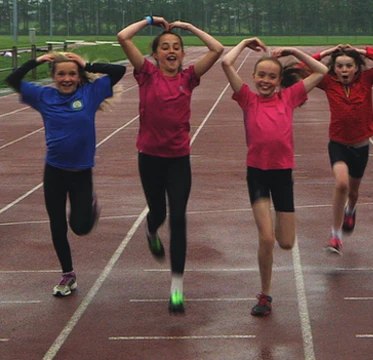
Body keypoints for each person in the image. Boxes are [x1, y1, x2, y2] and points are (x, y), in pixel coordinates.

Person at [117, 16, 224, 314]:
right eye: (165, 47)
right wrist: (150, 21)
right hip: (149, 159)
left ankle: (177, 286)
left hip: (179, 160)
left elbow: (217, 49)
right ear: (155, 55)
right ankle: (151, 233)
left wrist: (189, 28)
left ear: (182, 53)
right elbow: (123, 37)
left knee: (178, 218)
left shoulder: (188, 78)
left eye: (176, 46)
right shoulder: (147, 73)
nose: (171, 50)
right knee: (158, 214)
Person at [4, 52, 125, 297]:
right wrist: (36, 61)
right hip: (54, 172)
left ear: (79, 77)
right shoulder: (43, 95)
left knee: (80, 227)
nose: (67, 78)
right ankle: (68, 274)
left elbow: (118, 72)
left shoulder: (90, 94)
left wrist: (87, 64)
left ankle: (88, 205)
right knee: (57, 226)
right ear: (53, 76)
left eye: (72, 74)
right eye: (61, 74)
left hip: (81, 173)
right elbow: (13, 80)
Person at [221, 38, 327, 316]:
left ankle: (281, 222)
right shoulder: (247, 98)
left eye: (271, 76)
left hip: (282, 174)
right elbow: (225, 62)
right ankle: (265, 295)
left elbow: (321, 72)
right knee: (266, 238)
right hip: (256, 174)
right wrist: (244, 43)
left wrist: (293, 50)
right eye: (261, 75)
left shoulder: (289, 97)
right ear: (254, 77)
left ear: (280, 80)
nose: (265, 80)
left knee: (286, 242)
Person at [306, 44, 373, 256]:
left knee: (353, 192)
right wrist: (325, 53)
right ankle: (336, 236)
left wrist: (362, 51)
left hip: (361, 145)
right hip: (338, 144)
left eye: (348, 66)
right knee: (341, 184)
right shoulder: (327, 82)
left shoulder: (366, 80)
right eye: (339, 66)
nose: (344, 70)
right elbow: (301, 67)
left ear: (356, 67)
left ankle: (351, 209)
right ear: (333, 68)